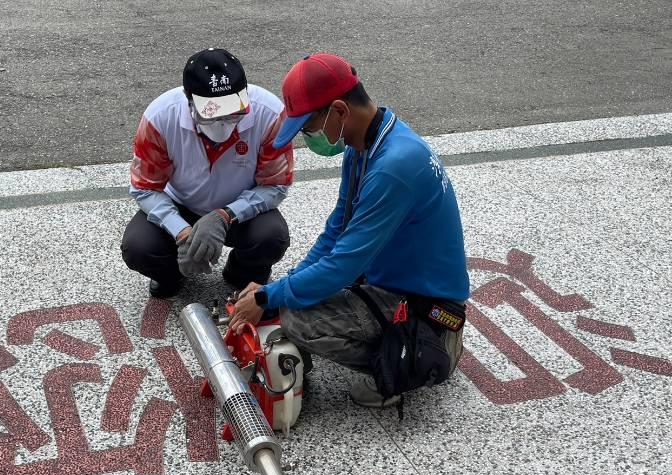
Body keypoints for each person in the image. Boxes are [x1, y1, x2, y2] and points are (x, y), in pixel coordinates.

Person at [229, 53, 470, 409]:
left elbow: (342, 263)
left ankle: (408, 362)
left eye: (309, 128)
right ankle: (396, 338)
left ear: (339, 111)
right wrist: (279, 287)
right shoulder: (365, 146)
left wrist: (269, 299)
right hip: (389, 279)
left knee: (298, 320)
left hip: (427, 308)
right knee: (298, 292)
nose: (309, 139)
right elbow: (335, 232)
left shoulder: (394, 166)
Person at [122, 48, 294, 298]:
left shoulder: (270, 114)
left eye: (234, 113)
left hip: (240, 208)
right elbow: (145, 187)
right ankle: (173, 275)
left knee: (271, 237)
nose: (224, 123)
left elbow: (276, 185)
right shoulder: (159, 118)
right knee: (139, 248)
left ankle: (240, 270)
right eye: (212, 114)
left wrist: (225, 215)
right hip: (181, 203)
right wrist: (180, 231)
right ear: (189, 99)